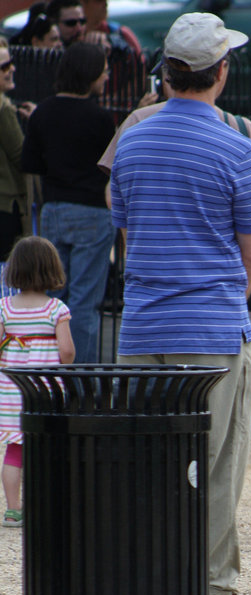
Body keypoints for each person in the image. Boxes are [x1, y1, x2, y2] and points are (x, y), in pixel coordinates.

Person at [110, 13, 251, 595]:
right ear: (220, 71)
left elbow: (125, 233)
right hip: (213, 329)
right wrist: (225, 295)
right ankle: (213, 588)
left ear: (167, 72)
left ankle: (144, 579)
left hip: (145, 324)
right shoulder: (236, 146)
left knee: (145, 456)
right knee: (218, 459)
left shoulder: (133, 140)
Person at [21, 41, 115, 363]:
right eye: (103, 72)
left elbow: (31, 164)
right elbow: (112, 165)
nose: (106, 77)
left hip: (54, 209)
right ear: (89, 75)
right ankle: (80, 382)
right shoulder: (102, 119)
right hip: (92, 211)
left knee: (49, 296)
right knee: (85, 302)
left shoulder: (43, 112)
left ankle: (46, 372)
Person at [98, 69, 251, 218]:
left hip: (153, 259)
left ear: (167, 75)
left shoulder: (136, 122)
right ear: (220, 72)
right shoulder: (243, 130)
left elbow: (112, 200)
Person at [0, 235, 75, 527]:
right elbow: (67, 351)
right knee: (46, 447)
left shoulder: (4, 307)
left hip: (11, 389)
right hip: (44, 390)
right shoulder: (56, 310)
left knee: (15, 450)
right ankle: (45, 505)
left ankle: (13, 509)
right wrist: (62, 367)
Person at [0, 39, 28, 263]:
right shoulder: (3, 109)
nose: (12, 69)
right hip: (5, 205)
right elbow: (22, 157)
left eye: (11, 63)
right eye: (4, 67)